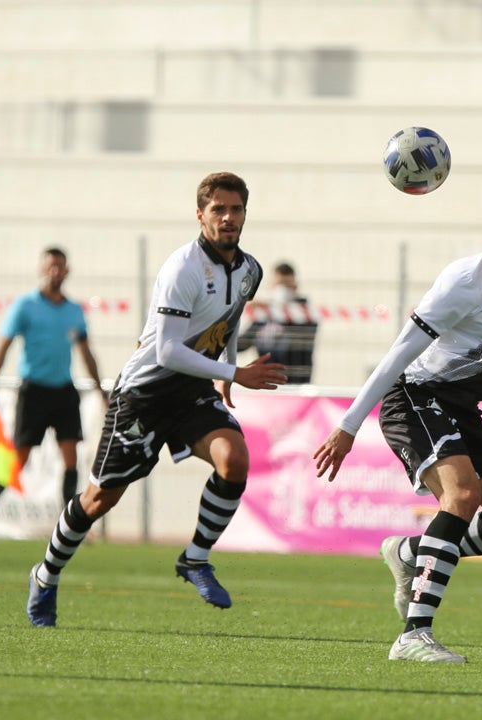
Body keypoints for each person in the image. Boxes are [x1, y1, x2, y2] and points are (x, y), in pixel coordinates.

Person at [313, 186, 482, 663]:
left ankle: (411, 554)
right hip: (415, 396)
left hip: (464, 408)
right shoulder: (466, 280)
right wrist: (348, 425)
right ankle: (413, 636)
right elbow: (397, 353)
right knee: (461, 496)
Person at [25, 171, 289, 627]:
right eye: (219, 210)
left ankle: (195, 558)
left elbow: (231, 319)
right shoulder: (183, 268)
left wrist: (224, 373)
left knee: (235, 460)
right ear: (200, 214)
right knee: (98, 500)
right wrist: (237, 372)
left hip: (191, 392)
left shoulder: (250, 269)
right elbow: (167, 351)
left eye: (237, 209)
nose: (228, 218)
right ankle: (45, 576)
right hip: (143, 395)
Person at [0, 247, 109, 537]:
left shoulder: (74, 311)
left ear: (67, 271)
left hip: (64, 391)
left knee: (71, 456)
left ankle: (69, 526)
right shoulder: (25, 305)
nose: (55, 272)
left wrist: (100, 390)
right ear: (42, 269)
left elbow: (86, 354)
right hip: (33, 390)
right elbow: (4, 344)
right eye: (50, 266)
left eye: (60, 266)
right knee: (20, 458)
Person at [237, 262, 318, 383]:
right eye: (279, 284)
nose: (282, 289)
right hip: (268, 382)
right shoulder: (263, 316)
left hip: (296, 383)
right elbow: (241, 344)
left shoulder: (305, 315)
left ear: (295, 287)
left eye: (287, 285)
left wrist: (274, 308)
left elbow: (305, 334)